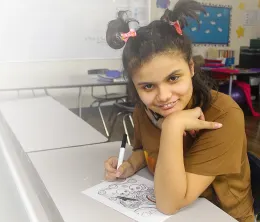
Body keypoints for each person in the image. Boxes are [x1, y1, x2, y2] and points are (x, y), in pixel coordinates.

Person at [103, 0, 255, 221]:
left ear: (191, 68)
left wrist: (172, 126)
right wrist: (129, 165)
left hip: (222, 215)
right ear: (135, 87)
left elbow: (169, 204)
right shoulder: (144, 109)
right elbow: (146, 151)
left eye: (173, 78)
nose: (163, 96)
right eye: (147, 86)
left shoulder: (224, 114)